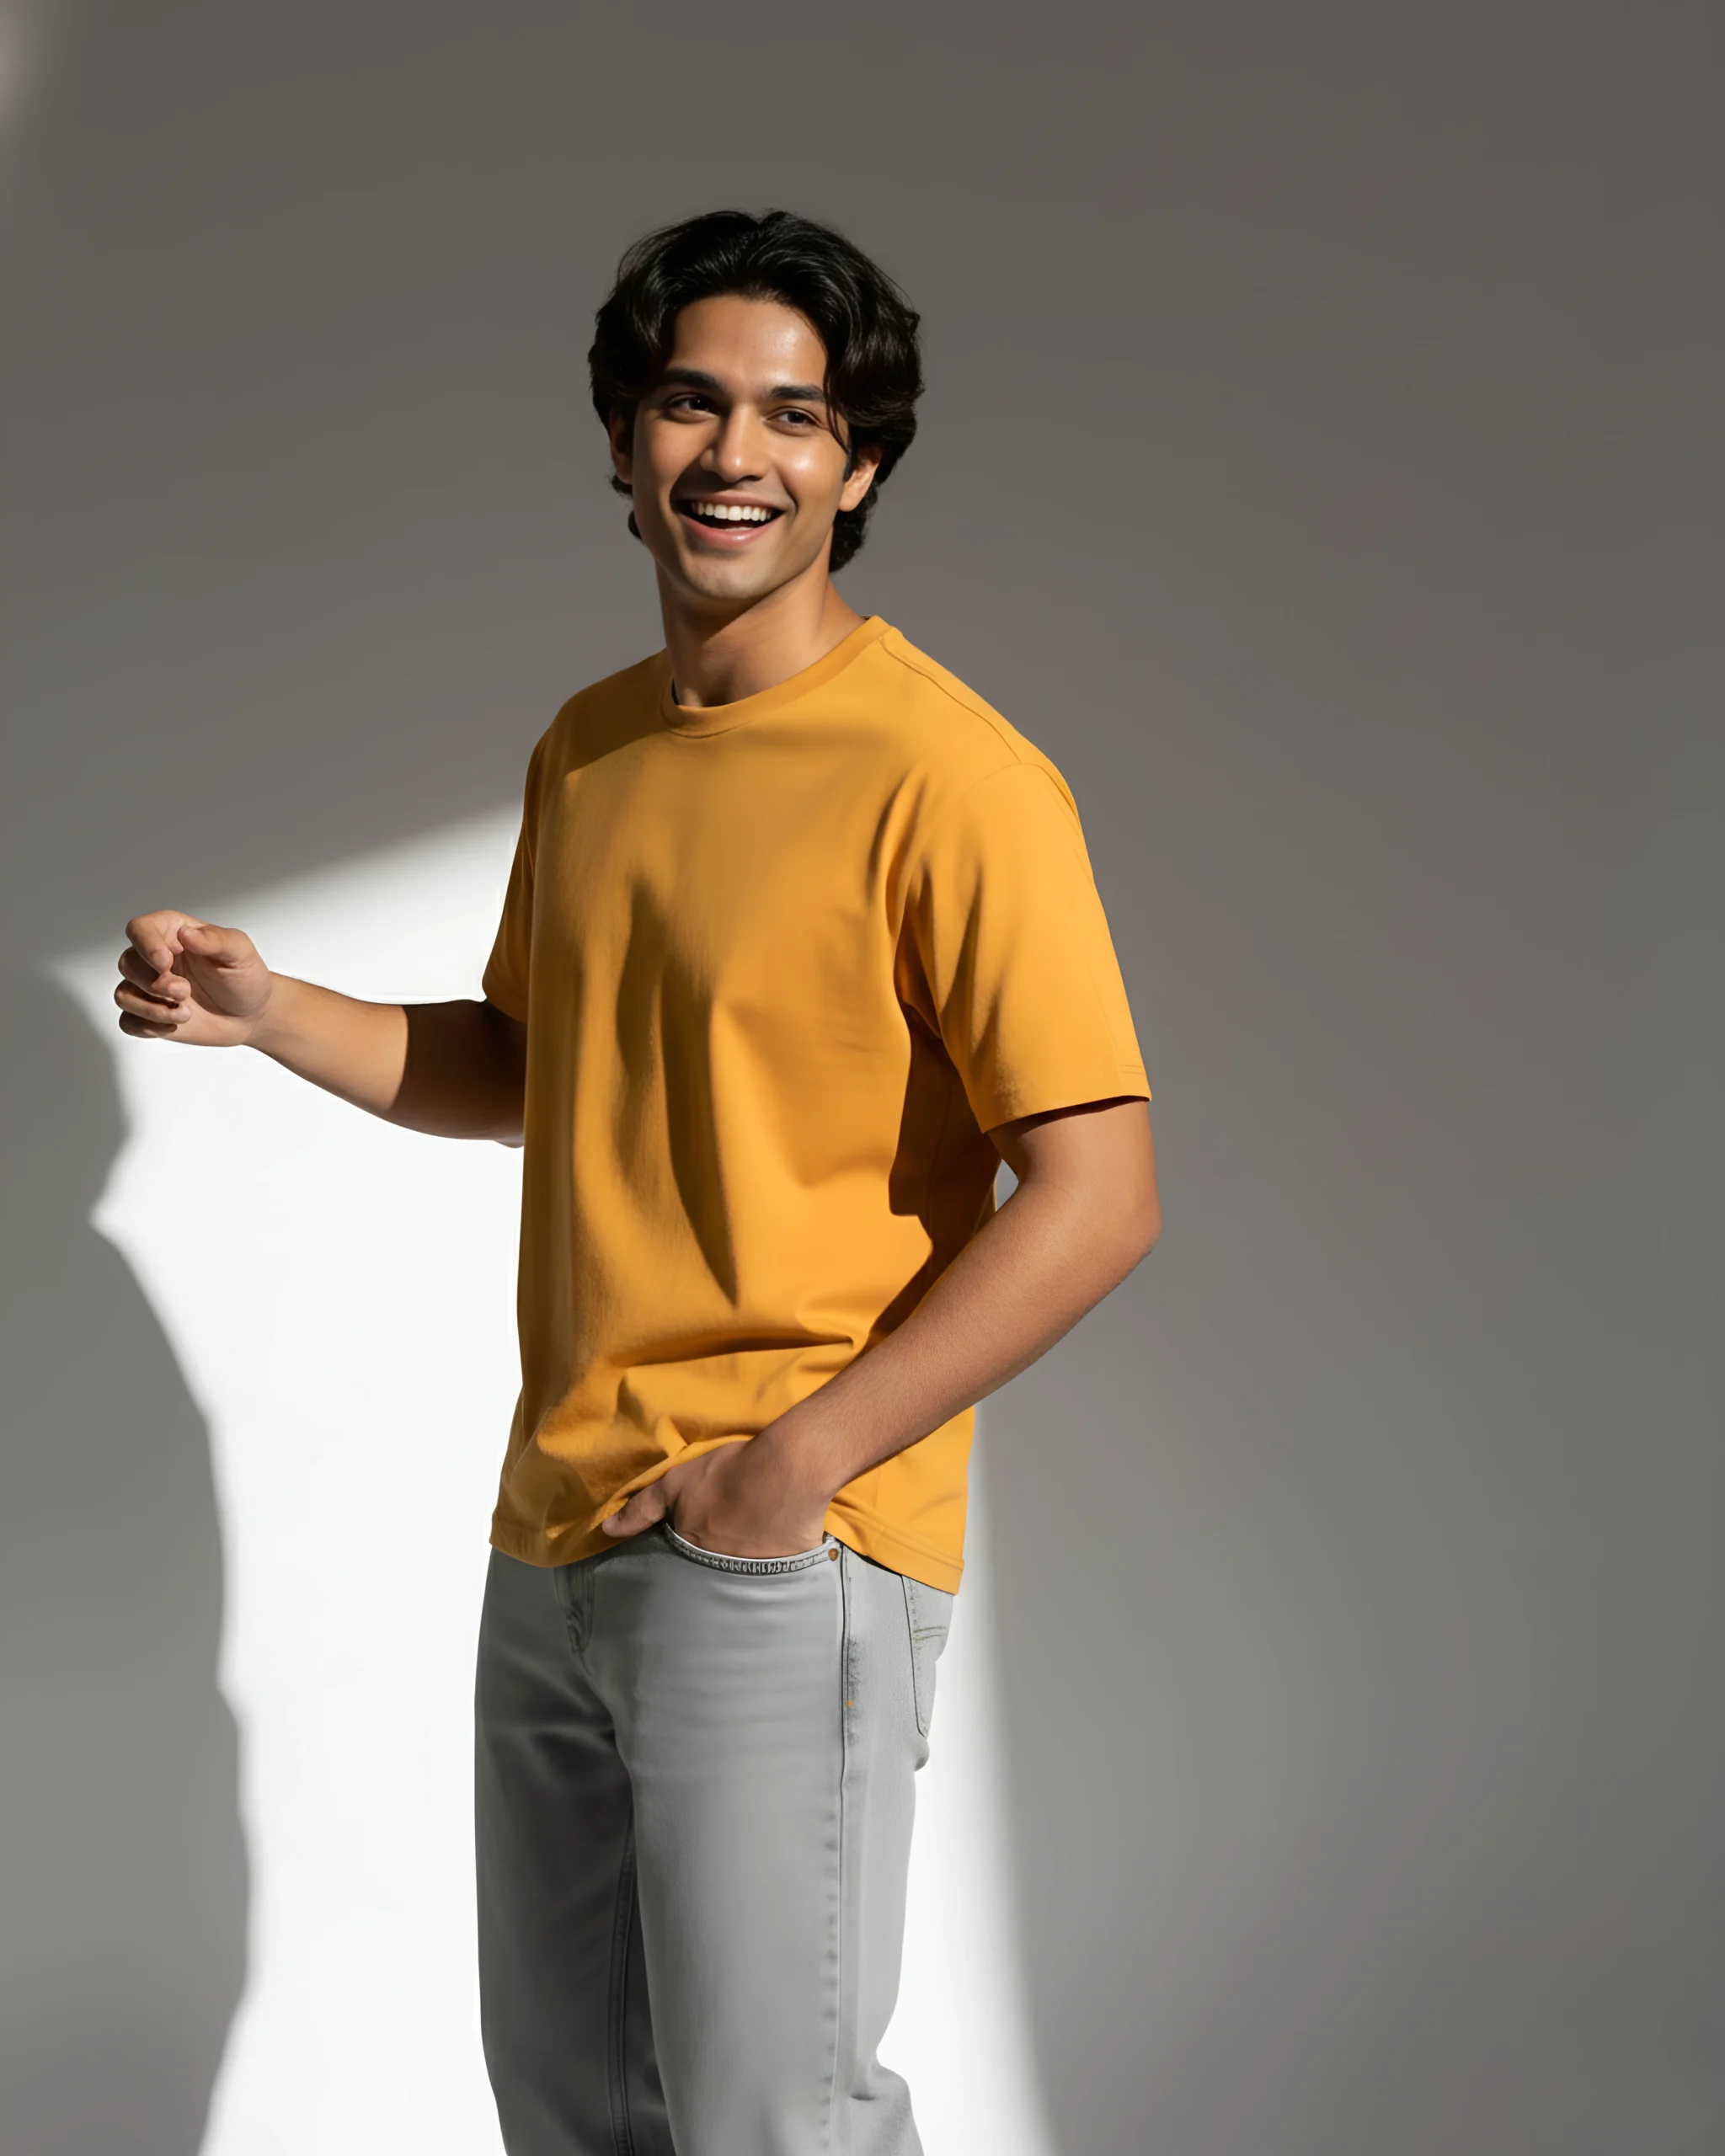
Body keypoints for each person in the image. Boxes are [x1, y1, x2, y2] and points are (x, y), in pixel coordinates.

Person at [113, 208, 1160, 2156]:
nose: (734, 452)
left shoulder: (953, 778)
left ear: (858, 465)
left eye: (794, 414)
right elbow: (538, 1068)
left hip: (782, 1546)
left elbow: (1099, 1189)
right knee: (578, 2118)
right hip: (555, 1537)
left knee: (775, 2123)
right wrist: (271, 1010)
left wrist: (797, 1465)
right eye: (690, 402)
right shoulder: (589, 749)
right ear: (621, 438)